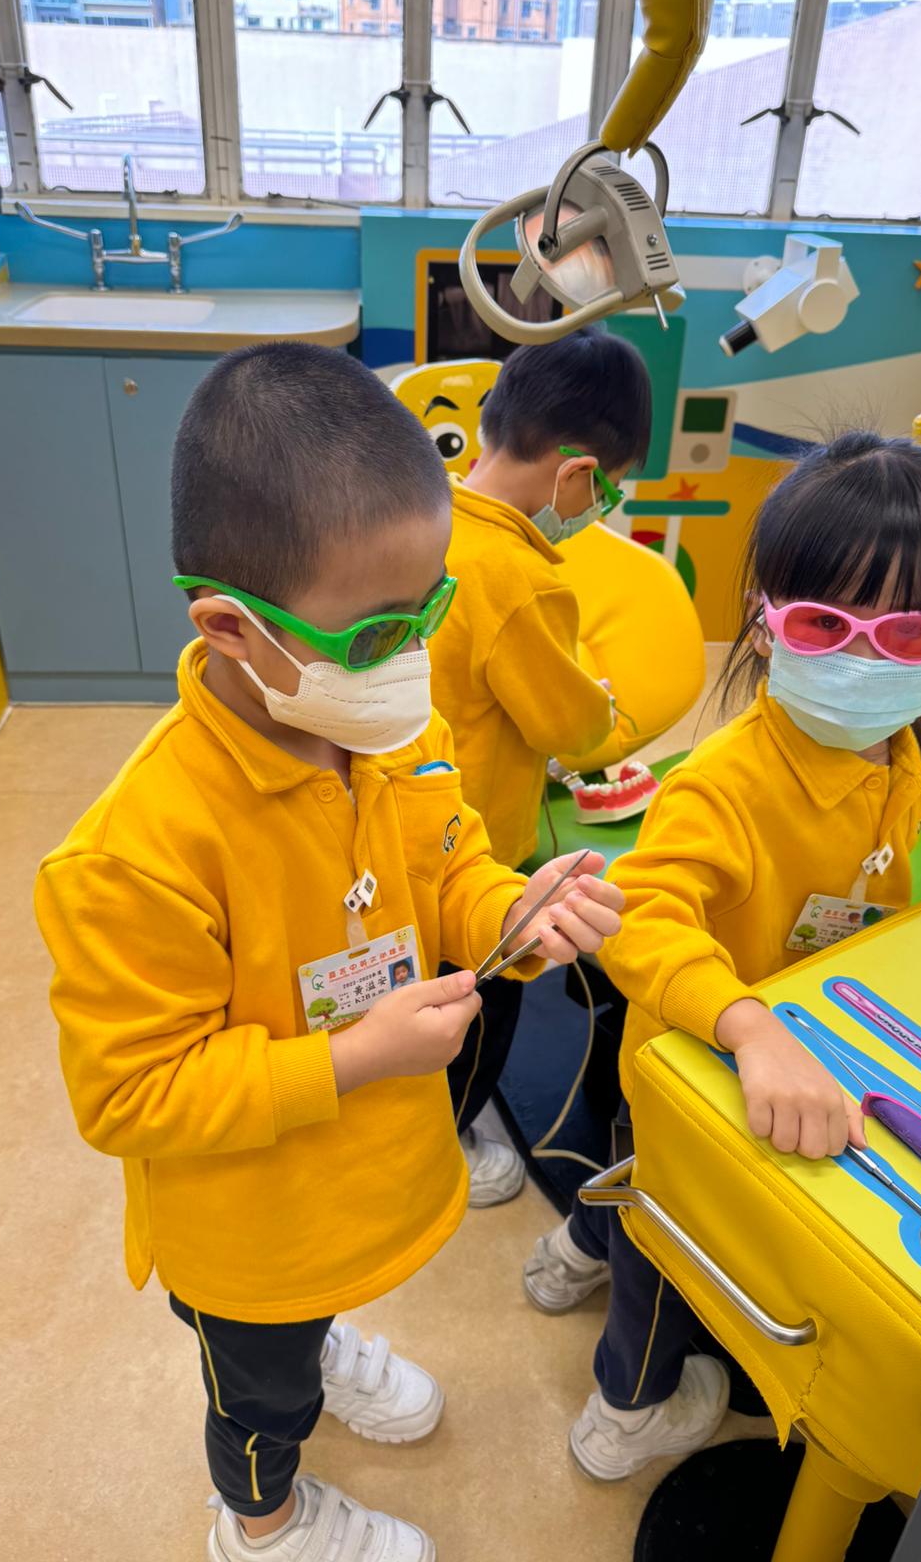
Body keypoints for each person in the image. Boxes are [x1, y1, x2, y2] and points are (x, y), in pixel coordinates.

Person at [34, 343, 625, 1562]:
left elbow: (448, 865)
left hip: (343, 1188)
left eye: (430, 615)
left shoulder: (393, 731)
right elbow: (130, 1093)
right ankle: (262, 1524)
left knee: (300, 1332)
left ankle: (317, 1337)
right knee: (259, 1398)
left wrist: (511, 910)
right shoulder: (133, 854)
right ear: (230, 626)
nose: (410, 664)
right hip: (246, 1233)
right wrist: (354, 1057)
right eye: (374, 639)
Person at [524, 431, 921, 1479]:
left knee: (632, 1192)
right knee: (666, 1251)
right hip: (703, 1062)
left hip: (790, 1045)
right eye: (829, 623)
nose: (868, 661)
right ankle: (624, 1414)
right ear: (766, 620)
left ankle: (572, 1249)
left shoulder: (902, 750)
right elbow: (641, 916)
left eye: (909, 632)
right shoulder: (723, 782)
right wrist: (750, 1027)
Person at [428, 328, 653, 1206]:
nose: (601, 507)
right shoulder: (521, 575)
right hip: (477, 854)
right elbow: (570, 725)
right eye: (609, 489)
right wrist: (601, 699)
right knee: (482, 1009)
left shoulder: (423, 520)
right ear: (577, 473)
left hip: (400, 829)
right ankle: (448, 1142)